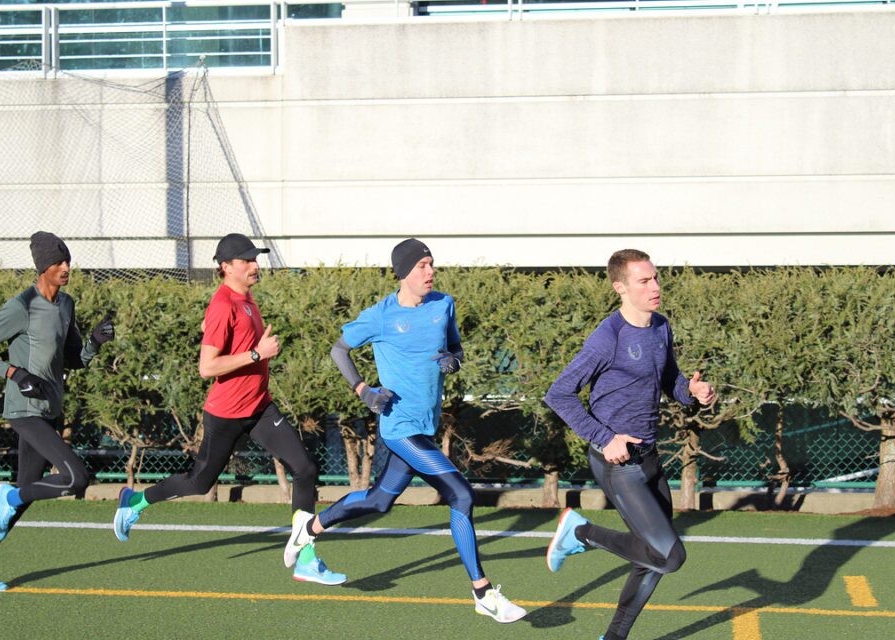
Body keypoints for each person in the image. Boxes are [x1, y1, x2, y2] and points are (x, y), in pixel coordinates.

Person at [281, 238, 527, 623]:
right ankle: (483, 594)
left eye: (432, 264)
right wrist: (363, 390)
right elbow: (338, 350)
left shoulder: (443, 305)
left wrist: (454, 361)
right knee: (461, 495)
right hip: (398, 427)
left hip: (424, 427)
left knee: (379, 501)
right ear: (403, 273)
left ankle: (308, 528)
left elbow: (456, 349)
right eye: (422, 266)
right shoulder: (380, 316)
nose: (431, 272)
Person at [112, 233, 344, 586]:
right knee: (199, 482)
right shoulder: (223, 304)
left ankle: (307, 558)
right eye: (246, 260)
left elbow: (224, 334)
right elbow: (207, 367)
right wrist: (257, 353)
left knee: (305, 468)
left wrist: (250, 348)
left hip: (260, 408)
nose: (254, 265)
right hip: (226, 414)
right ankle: (134, 502)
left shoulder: (245, 299)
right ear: (226, 267)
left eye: (255, 259)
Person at [543, 249, 717, 640]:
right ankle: (581, 533)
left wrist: (691, 392)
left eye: (656, 278)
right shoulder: (608, 338)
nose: (655, 287)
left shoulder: (660, 327)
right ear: (620, 287)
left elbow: (669, 380)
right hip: (617, 463)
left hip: (649, 456)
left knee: (651, 559)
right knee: (669, 556)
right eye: (644, 281)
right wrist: (604, 438)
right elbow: (559, 394)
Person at [0, 231, 115, 592]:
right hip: (24, 410)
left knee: (28, 492)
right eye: (58, 262)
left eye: (67, 261)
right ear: (42, 267)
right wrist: (14, 373)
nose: (66, 268)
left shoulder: (66, 305)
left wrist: (94, 342)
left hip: (50, 410)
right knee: (77, 478)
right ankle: (9, 496)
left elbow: (73, 360)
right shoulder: (21, 306)